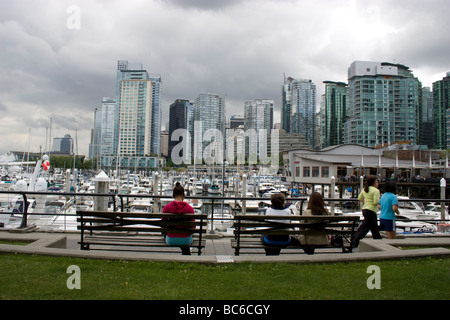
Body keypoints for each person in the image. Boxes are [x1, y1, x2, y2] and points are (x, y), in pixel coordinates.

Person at [162, 182, 195, 255]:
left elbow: (162, 224)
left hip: (171, 239)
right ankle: (186, 255)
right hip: (186, 240)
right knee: (185, 243)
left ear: (173, 195)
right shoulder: (189, 209)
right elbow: (193, 226)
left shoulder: (167, 208)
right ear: (184, 195)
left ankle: (186, 254)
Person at [352, 175, 382, 247]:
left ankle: (377, 238)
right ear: (374, 183)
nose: (377, 184)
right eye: (377, 182)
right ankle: (355, 241)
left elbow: (359, 198)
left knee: (371, 226)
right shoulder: (376, 191)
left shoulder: (365, 189)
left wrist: (366, 201)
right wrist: (379, 198)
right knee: (367, 227)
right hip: (371, 210)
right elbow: (375, 202)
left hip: (365, 209)